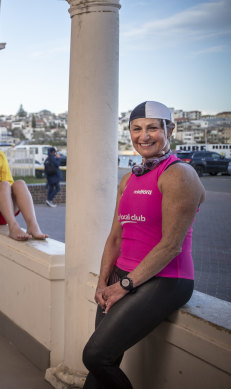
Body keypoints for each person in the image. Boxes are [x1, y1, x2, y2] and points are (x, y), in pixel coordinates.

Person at [82, 101, 205, 388]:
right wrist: (103, 282)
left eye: (152, 128)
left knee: (96, 355)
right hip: (122, 276)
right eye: (136, 129)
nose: (144, 136)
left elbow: (170, 246)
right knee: (104, 362)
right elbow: (115, 237)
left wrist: (124, 286)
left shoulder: (179, 175)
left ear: (169, 129)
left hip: (165, 279)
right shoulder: (128, 179)